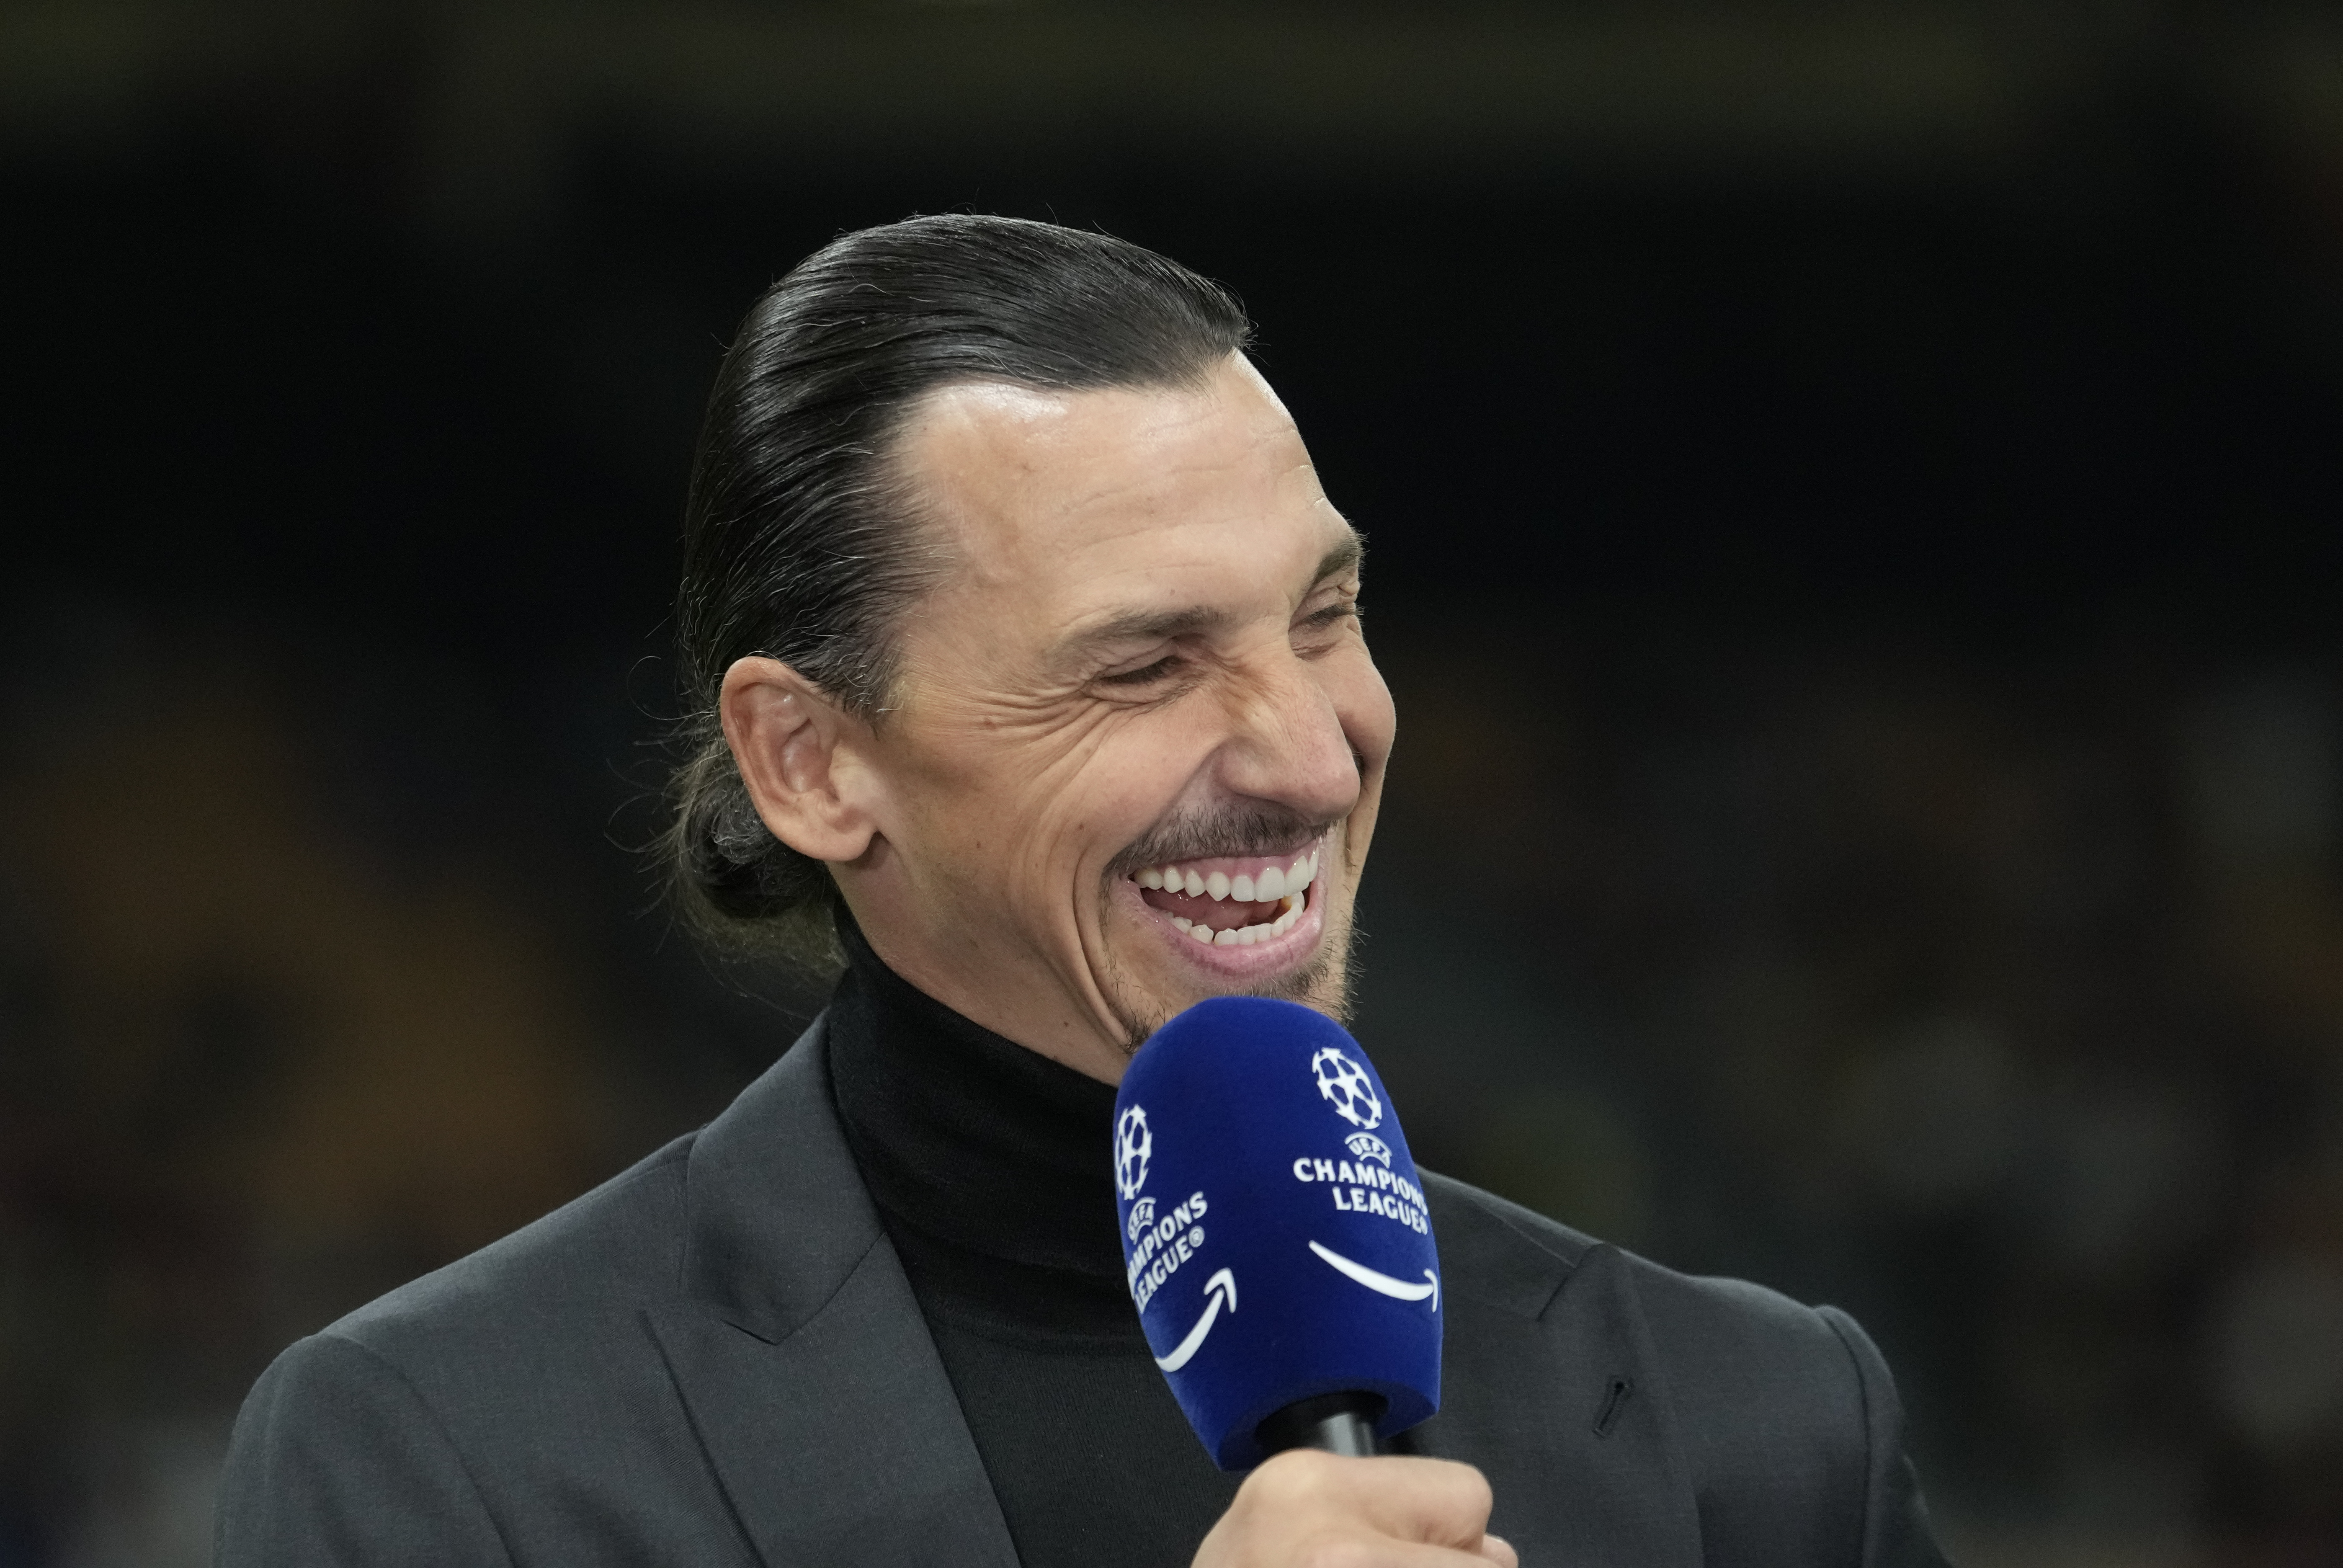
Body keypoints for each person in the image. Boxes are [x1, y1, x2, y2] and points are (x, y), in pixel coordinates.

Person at [214, 215, 1949, 1567]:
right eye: (1144, 666)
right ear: (812, 762)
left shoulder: (1764, 1432)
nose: (1311, 755)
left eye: (1323, 617)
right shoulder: (452, 1454)